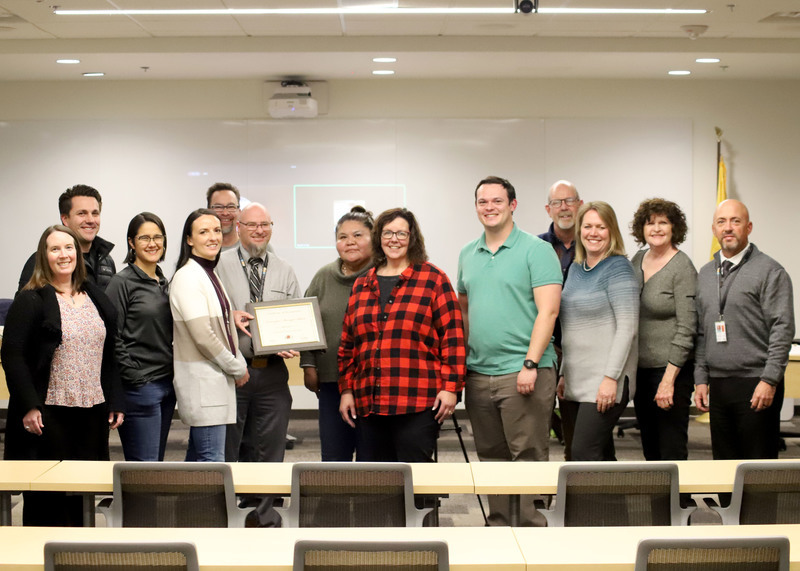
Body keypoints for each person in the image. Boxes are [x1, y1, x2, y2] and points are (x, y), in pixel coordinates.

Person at [2, 225, 124, 526]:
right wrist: (29, 405)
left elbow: (110, 352)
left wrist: (115, 400)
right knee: (48, 497)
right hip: (49, 414)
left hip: (91, 411)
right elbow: (12, 356)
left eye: (69, 248)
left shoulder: (93, 295)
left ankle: (78, 550)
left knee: (81, 493)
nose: (63, 254)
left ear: (78, 254)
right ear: (43, 256)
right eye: (54, 249)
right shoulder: (31, 299)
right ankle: (42, 550)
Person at [457, 176, 561, 527]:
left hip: (524, 371)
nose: (489, 207)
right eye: (482, 202)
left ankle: (531, 531)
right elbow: (465, 312)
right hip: (479, 373)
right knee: (491, 456)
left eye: (497, 201)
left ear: (512, 205)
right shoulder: (468, 253)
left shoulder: (536, 250)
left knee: (527, 456)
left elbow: (548, 311)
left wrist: (530, 363)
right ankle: (500, 525)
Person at [338, 207, 466, 463]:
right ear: (378, 238)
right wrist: (346, 391)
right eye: (387, 233)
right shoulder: (362, 285)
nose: (393, 239)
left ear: (412, 238)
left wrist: (451, 388)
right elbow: (348, 345)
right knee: (375, 477)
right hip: (369, 402)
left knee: (415, 475)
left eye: (401, 234)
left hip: (417, 401)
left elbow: (453, 339)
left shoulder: (433, 279)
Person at [216, 202, 300, 526]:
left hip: (272, 373)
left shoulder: (284, 269)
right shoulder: (219, 265)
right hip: (232, 372)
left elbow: (296, 316)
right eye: (252, 225)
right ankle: (227, 517)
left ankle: (266, 517)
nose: (259, 230)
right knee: (230, 448)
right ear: (238, 228)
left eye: (265, 224)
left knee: (270, 449)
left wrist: (295, 338)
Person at [694, 199, 794, 459]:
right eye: (721, 222)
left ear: (748, 227)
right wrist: (701, 379)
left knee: (757, 465)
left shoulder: (770, 271)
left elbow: (782, 328)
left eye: (735, 221)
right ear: (714, 229)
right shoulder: (705, 273)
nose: (728, 227)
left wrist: (769, 380)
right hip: (718, 384)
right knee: (724, 462)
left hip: (756, 382)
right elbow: (702, 332)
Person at [559, 201, 638, 461]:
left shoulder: (619, 268)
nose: (593, 233)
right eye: (588, 226)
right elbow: (568, 326)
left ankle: (589, 494)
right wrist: (563, 373)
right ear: (579, 230)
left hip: (605, 379)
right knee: (593, 454)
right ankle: (610, 492)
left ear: (611, 231)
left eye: (601, 227)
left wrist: (610, 378)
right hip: (575, 378)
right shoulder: (575, 268)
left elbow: (627, 328)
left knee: (584, 454)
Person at [169, 208, 249, 462]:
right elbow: (204, 336)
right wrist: (237, 367)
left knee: (198, 464)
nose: (213, 237)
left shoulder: (208, 273)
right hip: (203, 384)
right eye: (203, 232)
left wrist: (237, 361)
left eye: (216, 230)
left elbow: (222, 328)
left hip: (213, 383)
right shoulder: (187, 277)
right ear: (189, 239)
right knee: (211, 464)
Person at [300, 206, 374, 461]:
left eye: (358, 235)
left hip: (371, 384)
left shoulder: (381, 274)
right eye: (343, 237)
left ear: (373, 239)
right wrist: (308, 364)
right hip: (331, 381)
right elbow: (307, 320)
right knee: (333, 456)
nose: (350, 242)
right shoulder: (323, 276)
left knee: (371, 457)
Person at [629, 199, 697, 461]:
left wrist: (668, 381)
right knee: (650, 447)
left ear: (674, 228)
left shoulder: (682, 267)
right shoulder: (637, 259)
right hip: (641, 370)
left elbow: (687, 327)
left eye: (663, 223)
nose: (656, 228)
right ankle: (657, 490)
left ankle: (678, 491)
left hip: (671, 371)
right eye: (650, 223)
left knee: (671, 448)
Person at [106, 212, 175, 461]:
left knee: (157, 465)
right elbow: (111, 336)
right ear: (131, 243)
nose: (152, 243)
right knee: (144, 468)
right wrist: (136, 378)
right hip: (141, 387)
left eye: (158, 237)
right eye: (144, 238)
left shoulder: (164, 282)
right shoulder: (121, 283)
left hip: (167, 383)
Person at [18, 185, 116, 291]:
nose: (90, 220)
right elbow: (25, 301)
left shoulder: (106, 260)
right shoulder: (42, 260)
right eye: (82, 213)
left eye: (95, 213)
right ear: (65, 219)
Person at [538, 180, 583, 279]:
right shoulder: (535, 246)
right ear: (548, 210)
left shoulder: (592, 245)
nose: (564, 207)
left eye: (570, 201)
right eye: (556, 203)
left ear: (580, 205)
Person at [207, 182, 242, 251]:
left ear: (239, 212)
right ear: (208, 211)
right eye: (218, 207)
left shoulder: (251, 248)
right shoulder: (198, 249)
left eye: (231, 207)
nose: (225, 213)